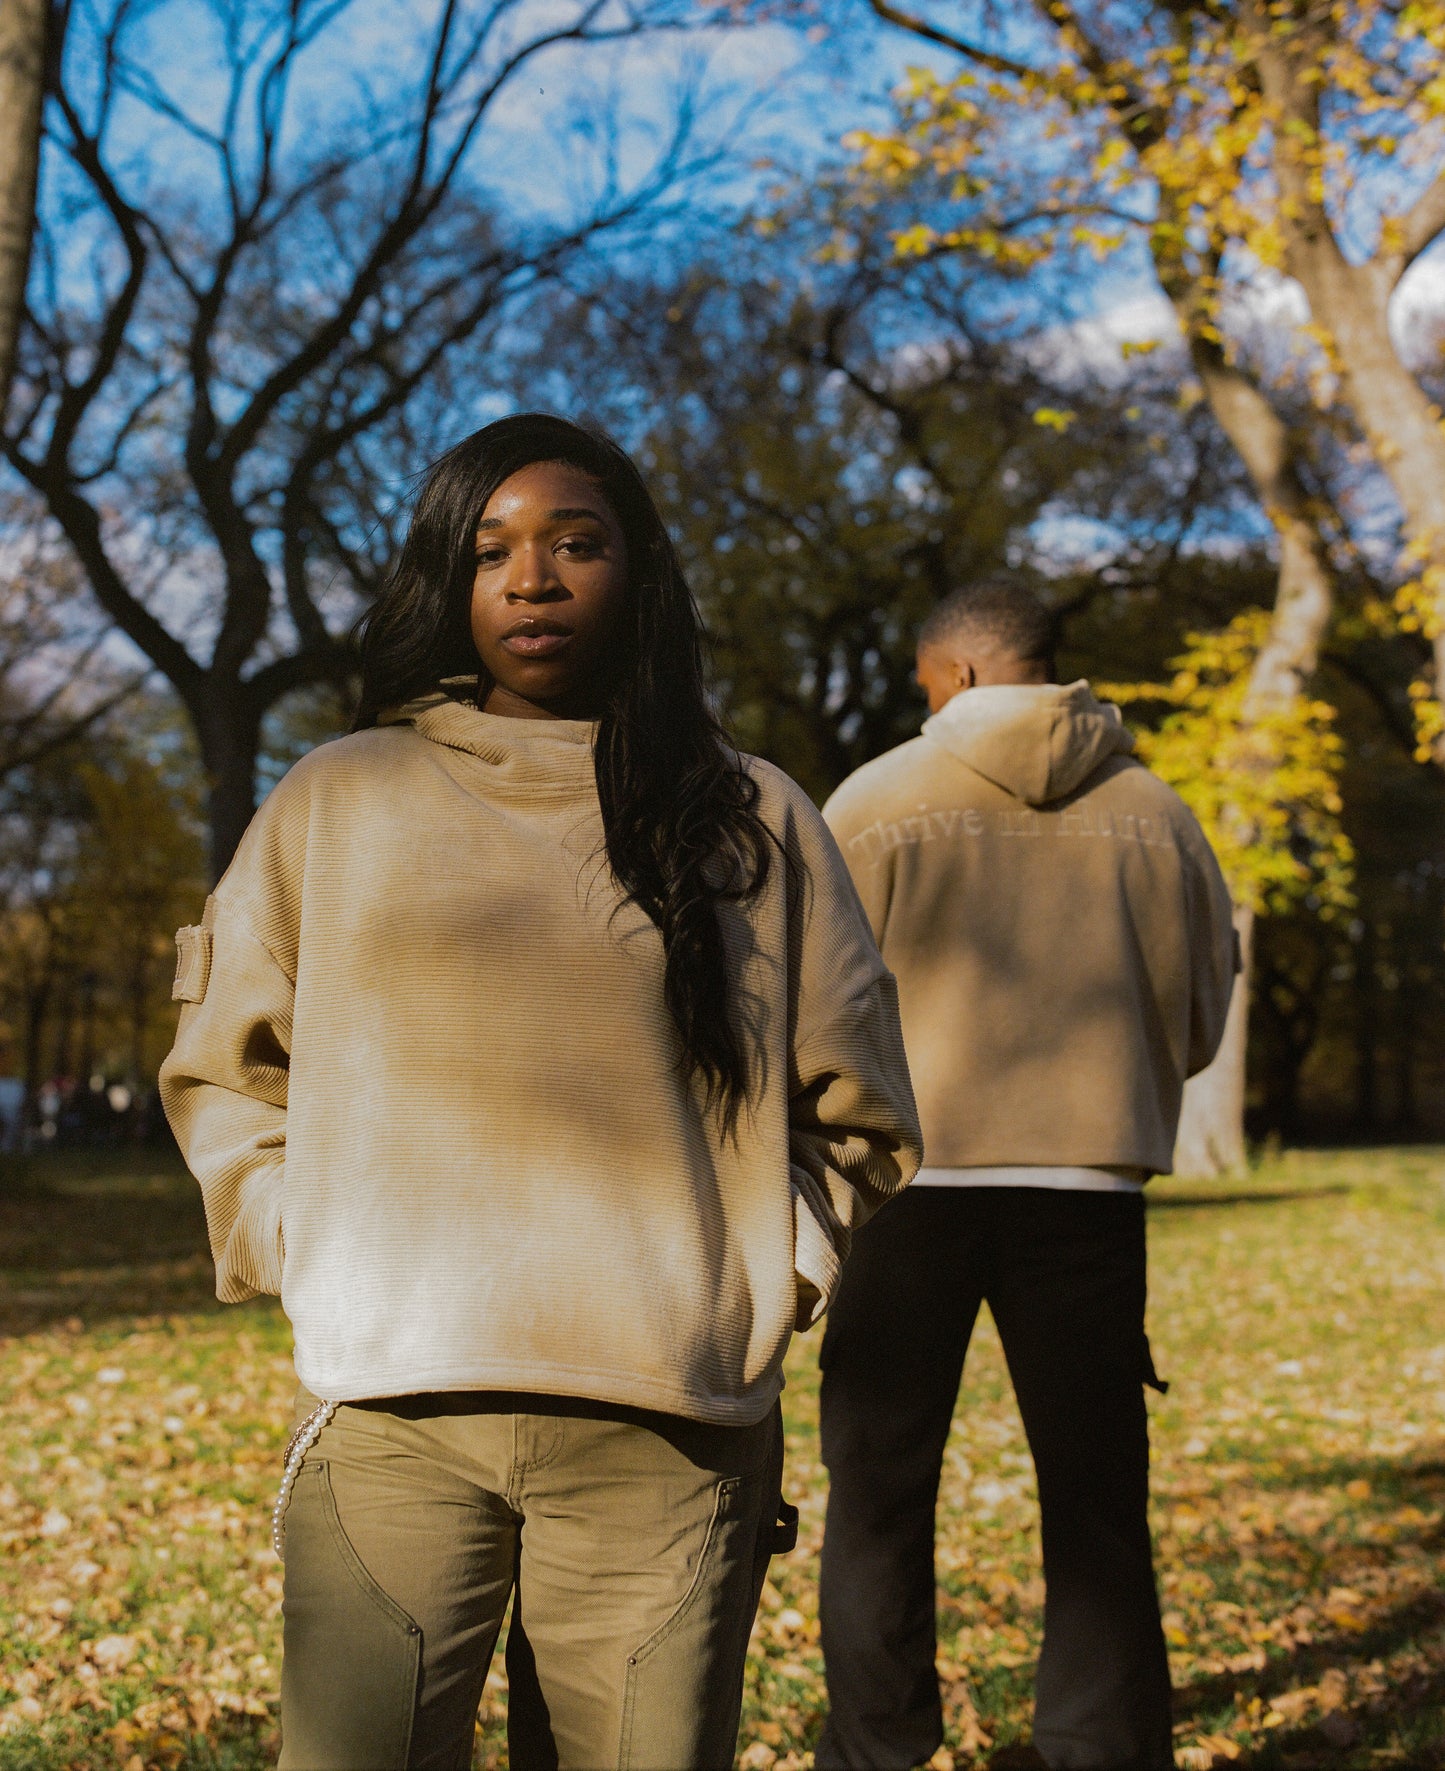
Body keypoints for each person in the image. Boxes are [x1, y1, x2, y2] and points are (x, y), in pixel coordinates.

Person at [159, 414, 921, 1771]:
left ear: (638, 575)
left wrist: (760, 1273)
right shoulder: (339, 797)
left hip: (670, 1434)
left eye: (578, 542)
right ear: (446, 578)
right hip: (393, 1423)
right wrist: (304, 1239)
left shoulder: (752, 816)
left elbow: (856, 1107)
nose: (533, 578)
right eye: (492, 547)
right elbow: (224, 1062)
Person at [816, 581, 1238, 1771]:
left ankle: (877, 1752)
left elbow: (811, 1003)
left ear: (947, 674)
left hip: (907, 1190)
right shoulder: (1156, 812)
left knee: (879, 1494)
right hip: (1087, 1191)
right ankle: (1100, 1750)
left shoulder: (878, 801)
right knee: (1096, 1501)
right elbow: (1202, 1009)